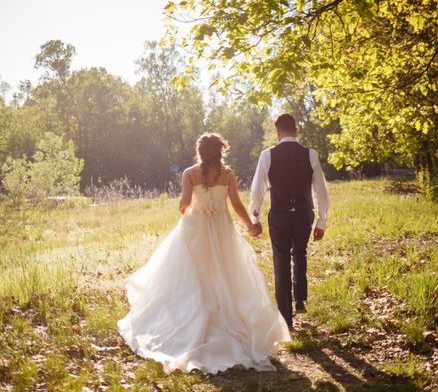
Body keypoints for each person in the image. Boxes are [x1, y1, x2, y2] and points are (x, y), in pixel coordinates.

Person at [118, 133, 290, 374]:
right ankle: (227, 315)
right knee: (226, 271)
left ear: (199, 151)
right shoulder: (228, 175)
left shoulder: (189, 173)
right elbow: (237, 205)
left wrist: (194, 210)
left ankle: (195, 314)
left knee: (193, 273)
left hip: (196, 228)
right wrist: (250, 225)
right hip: (222, 229)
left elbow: (183, 204)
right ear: (221, 151)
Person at [249, 114, 330, 329]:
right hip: (304, 214)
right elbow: (322, 191)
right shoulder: (310, 155)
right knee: (300, 252)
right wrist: (321, 222)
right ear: (297, 129)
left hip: (280, 215)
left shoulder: (268, 155)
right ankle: (300, 297)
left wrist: (254, 216)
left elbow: (257, 188)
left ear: (277, 131)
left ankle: (286, 318)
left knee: (281, 260)